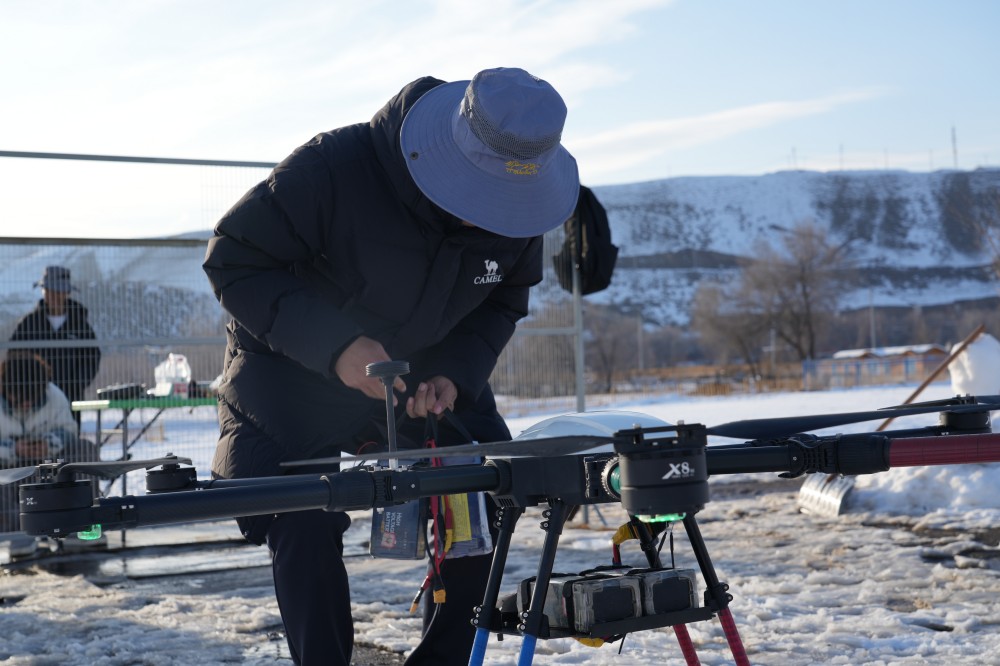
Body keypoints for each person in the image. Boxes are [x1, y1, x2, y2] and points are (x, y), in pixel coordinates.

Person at [202, 67, 579, 665]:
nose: (489, 218)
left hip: (423, 379)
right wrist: (337, 347)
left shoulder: (518, 207)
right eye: (477, 195)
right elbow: (234, 260)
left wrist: (453, 373)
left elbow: (505, 299)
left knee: (480, 502)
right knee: (300, 515)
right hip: (292, 370)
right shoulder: (332, 169)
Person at [0, 354, 97, 533]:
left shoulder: (54, 395)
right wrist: (13, 450)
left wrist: (49, 444)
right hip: (8, 472)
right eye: (19, 397)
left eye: (32, 397)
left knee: (85, 449)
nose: (26, 404)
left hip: (48, 466)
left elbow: (69, 431)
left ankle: (81, 522)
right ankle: (16, 536)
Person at [10, 266, 102, 427]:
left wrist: (77, 383)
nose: (54, 296)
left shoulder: (79, 324)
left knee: (69, 440)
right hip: (34, 400)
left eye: (58, 291)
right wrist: (28, 387)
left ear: (67, 293)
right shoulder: (30, 324)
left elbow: (91, 357)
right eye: (49, 291)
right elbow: (14, 357)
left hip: (70, 398)